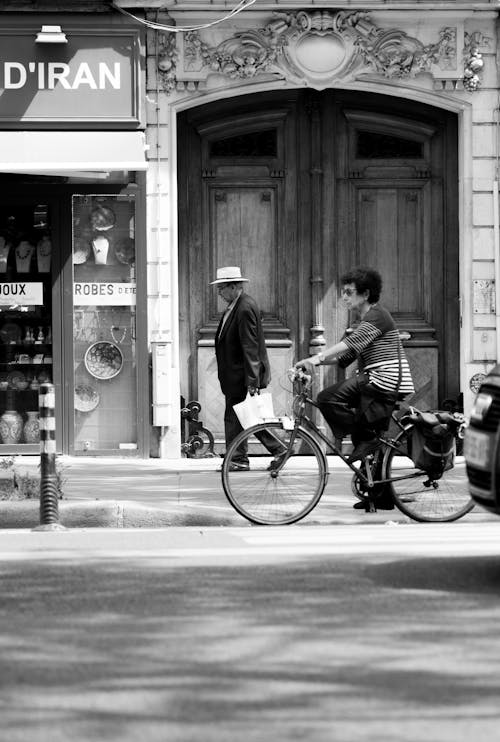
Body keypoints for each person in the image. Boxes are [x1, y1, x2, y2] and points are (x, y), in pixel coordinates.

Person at [295, 266, 415, 509]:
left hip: (384, 381)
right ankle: (378, 497)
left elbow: (349, 343)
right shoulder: (367, 319)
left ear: (366, 294)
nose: (345, 297)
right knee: (369, 438)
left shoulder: (377, 316)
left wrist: (315, 360)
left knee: (327, 398)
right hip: (376, 380)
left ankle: (365, 439)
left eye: (349, 292)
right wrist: (307, 363)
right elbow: (346, 354)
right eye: (344, 292)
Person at [211, 266, 286, 471]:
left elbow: (250, 346)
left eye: (222, 288)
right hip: (236, 375)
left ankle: (271, 451)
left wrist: (252, 381)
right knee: (243, 417)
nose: (219, 293)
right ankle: (240, 458)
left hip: (242, 375)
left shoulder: (244, 307)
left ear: (234, 287)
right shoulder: (236, 305)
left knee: (247, 417)